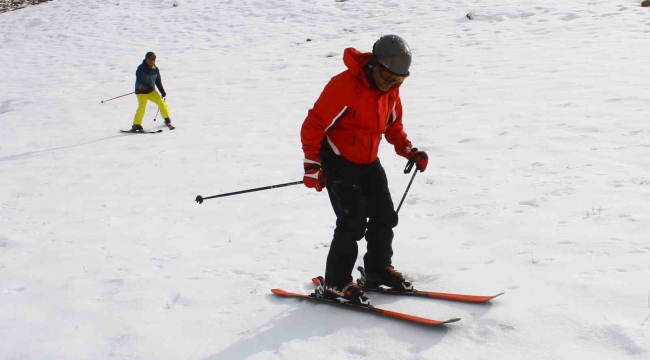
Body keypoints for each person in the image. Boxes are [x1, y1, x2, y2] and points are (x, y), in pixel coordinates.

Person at [300, 35, 429, 305]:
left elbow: (393, 126)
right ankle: (335, 283)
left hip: (368, 159)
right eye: (388, 77)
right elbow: (314, 125)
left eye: (399, 80)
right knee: (352, 222)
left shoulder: (390, 90)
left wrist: (409, 150)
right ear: (374, 65)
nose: (392, 84)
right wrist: (312, 164)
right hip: (337, 158)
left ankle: (377, 270)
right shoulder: (344, 86)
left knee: (385, 216)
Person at [131, 52, 172, 132]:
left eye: (153, 59)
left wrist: (162, 91)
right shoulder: (141, 68)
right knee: (142, 107)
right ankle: (136, 124)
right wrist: (147, 85)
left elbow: (158, 82)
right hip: (141, 91)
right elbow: (140, 79)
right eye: (150, 59)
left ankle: (166, 118)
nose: (151, 61)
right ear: (146, 59)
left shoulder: (155, 70)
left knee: (161, 102)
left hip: (151, 91)